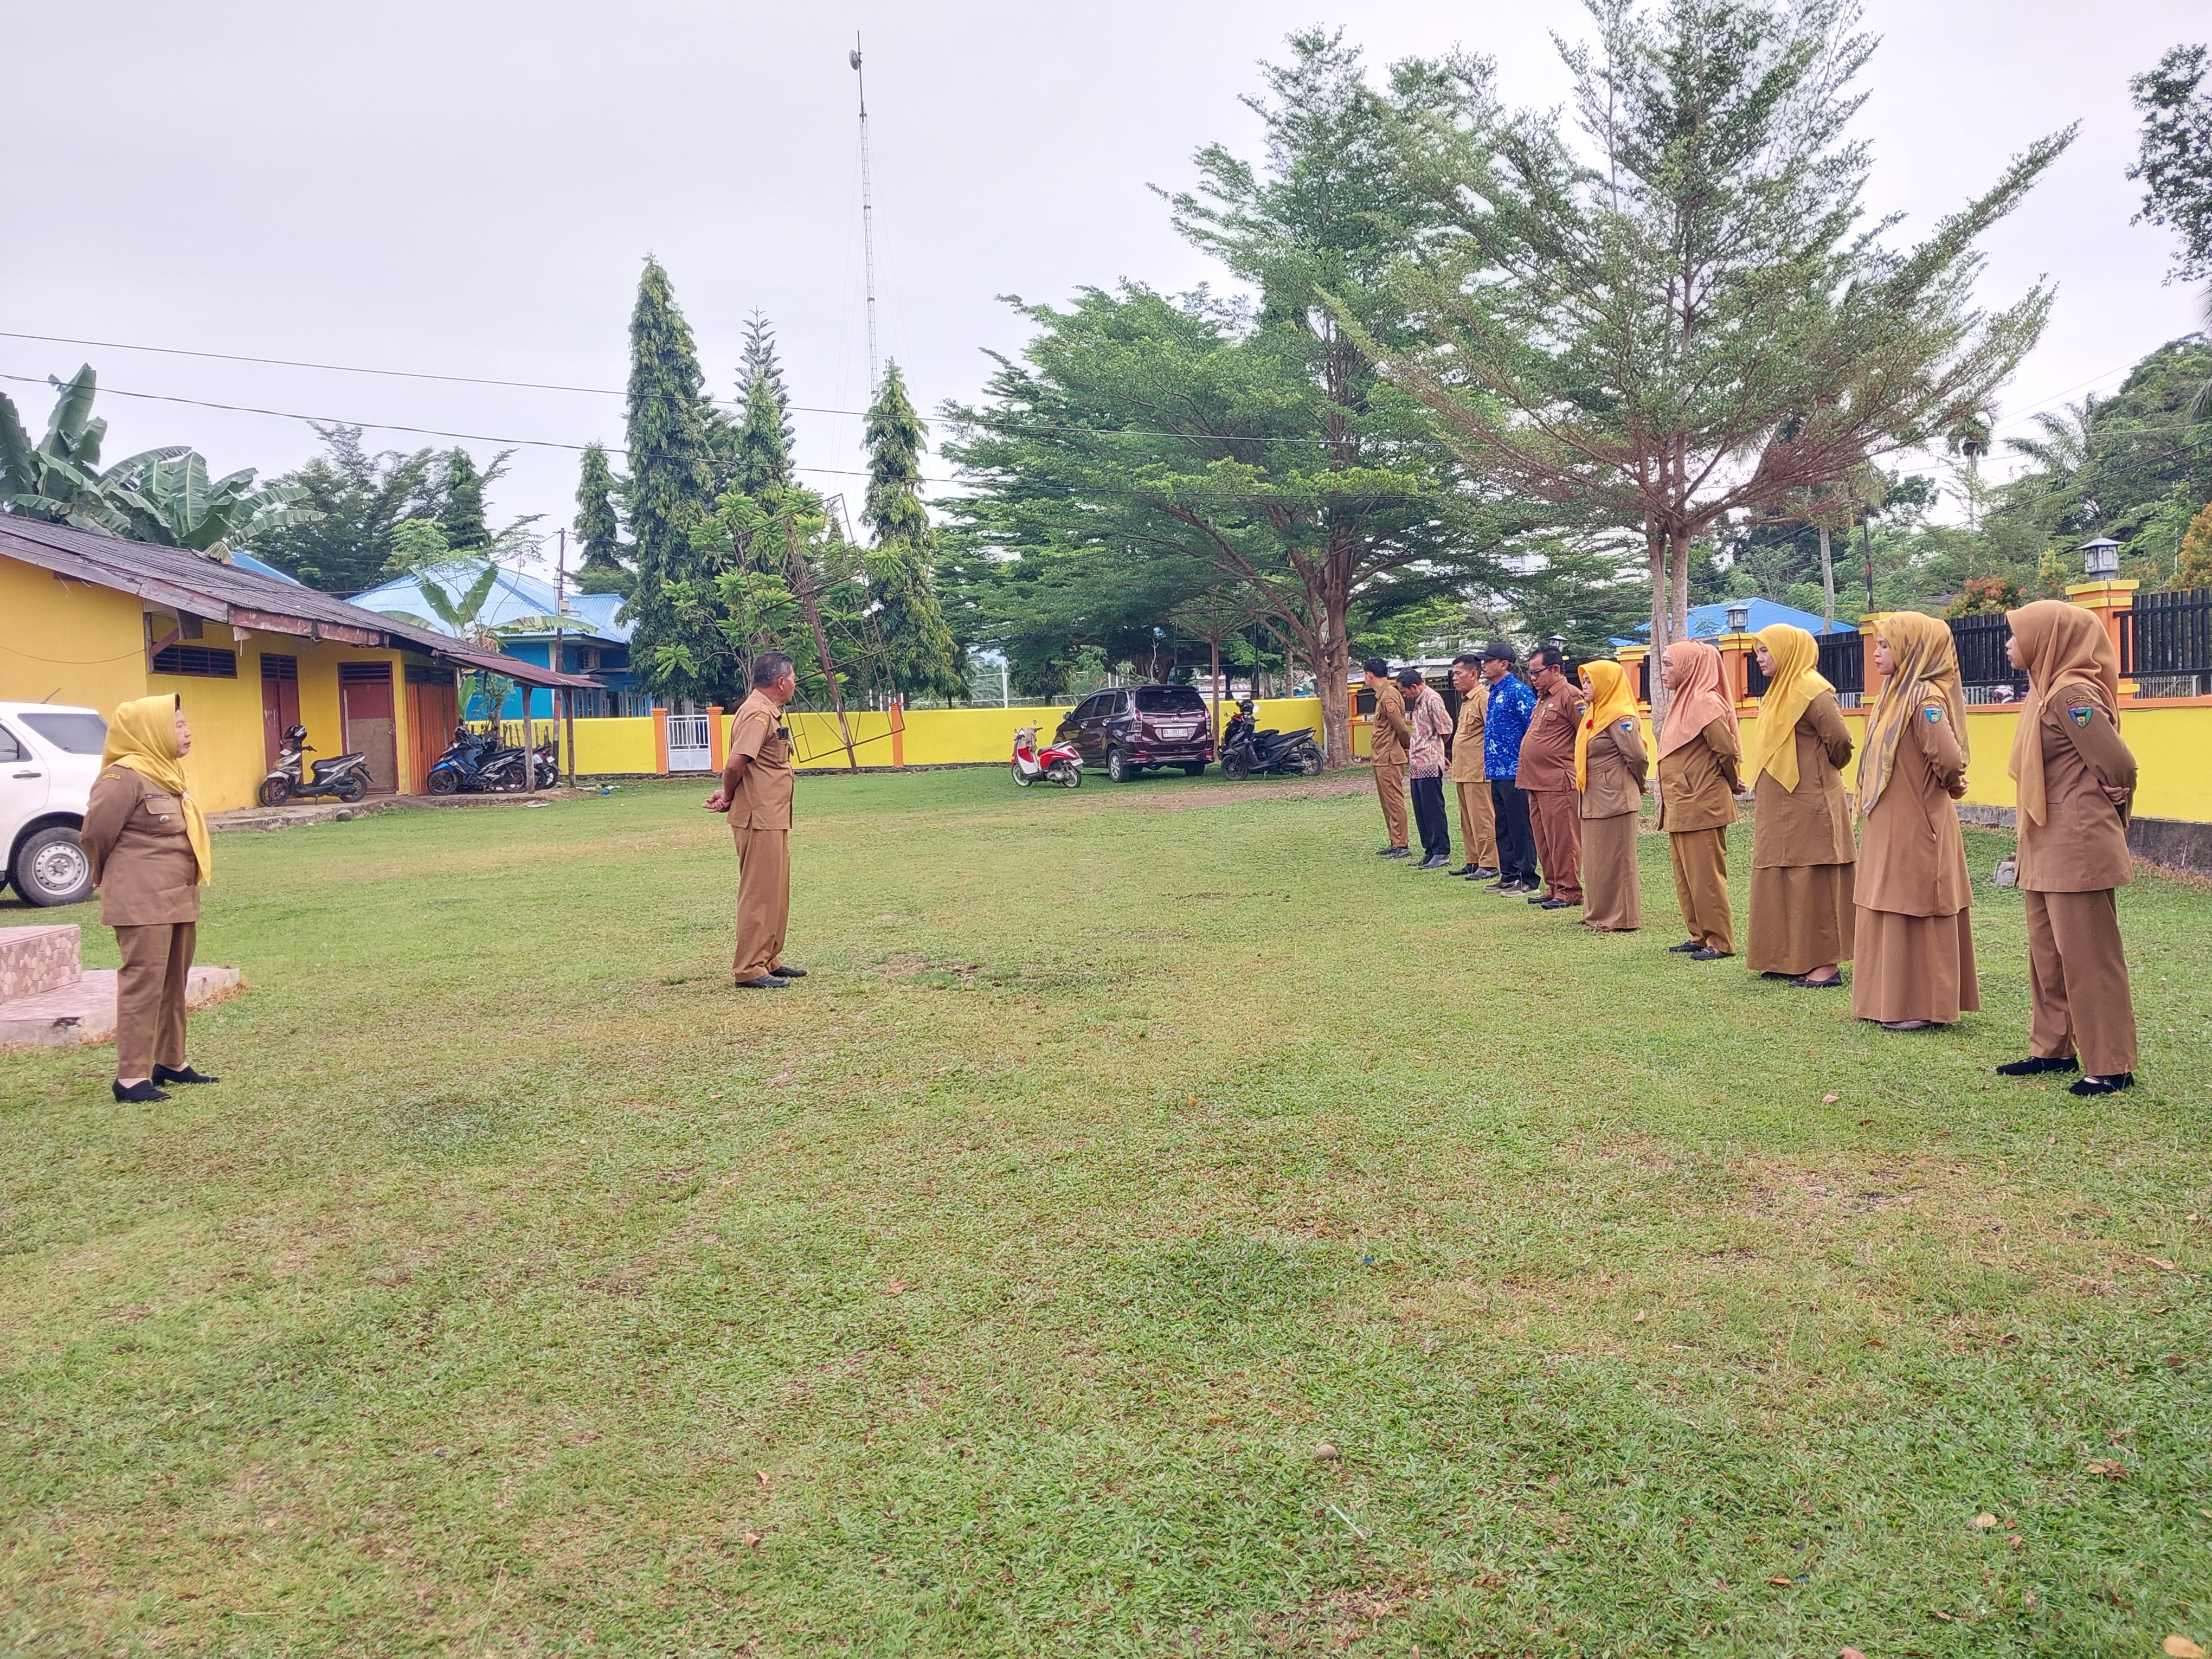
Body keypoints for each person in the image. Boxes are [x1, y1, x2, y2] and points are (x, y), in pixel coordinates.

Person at [1998, 599, 2139, 1094]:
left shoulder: (2071, 693)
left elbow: (2118, 764)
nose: (2009, 643)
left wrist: (2119, 798)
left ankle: (2111, 1063)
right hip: (2045, 838)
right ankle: (2053, 1048)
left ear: (2048, 639)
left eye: (2017, 634)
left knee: (2088, 955)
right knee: (2048, 954)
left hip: (2076, 842)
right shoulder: (2043, 691)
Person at [78, 695, 217, 1103]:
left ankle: (170, 1061)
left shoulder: (167, 772)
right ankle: (131, 1077)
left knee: (174, 982)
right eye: (177, 725)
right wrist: (103, 876)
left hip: (178, 896)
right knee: (143, 984)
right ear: (150, 731)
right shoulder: (123, 779)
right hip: (142, 901)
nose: (187, 732)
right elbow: (95, 836)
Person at [1851, 612, 1976, 1032]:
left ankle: (1922, 1003)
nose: (1876, 652)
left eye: (1885, 644)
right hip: (1891, 818)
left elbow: (1949, 757)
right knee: (1889, 899)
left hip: (1917, 819)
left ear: (1912, 648)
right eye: (1878, 643)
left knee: (1917, 901)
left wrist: (1955, 779)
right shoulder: (1895, 693)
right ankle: (1891, 999)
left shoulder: (1924, 698)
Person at [1744, 623, 1856, 988]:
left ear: (1789, 650)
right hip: (1779, 804)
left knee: (1813, 878)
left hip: (1810, 802)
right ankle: (1785, 956)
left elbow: (1840, 741)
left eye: (1766, 651)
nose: (1760, 658)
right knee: (1779, 875)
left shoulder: (1813, 691)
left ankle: (1825, 965)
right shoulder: (1778, 693)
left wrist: (1819, 772)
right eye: (1758, 651)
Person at [705, 652, 807, 989]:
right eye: (793, 677)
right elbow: (735, 765)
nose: (794, 682)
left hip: (772, 815)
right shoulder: (758, 715)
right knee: (759, 893)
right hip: (758, 817)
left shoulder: (767, 713)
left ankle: (768, 958)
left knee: (776, 890)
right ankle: (749, 968)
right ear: (781, 682)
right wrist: (729, 795)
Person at [1655, 639, 1741, 960]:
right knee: (1686, 876)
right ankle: (1699, 935)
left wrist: (1732, 782)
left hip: (1701, 801)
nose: (1664, 671)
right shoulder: (1684, 701)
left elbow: (1727, 750)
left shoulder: (1705, 703)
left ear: (1690, 667)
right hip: (1682, 802)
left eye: (1669, 664)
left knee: (1705, 876)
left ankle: (1719, 940)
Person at [1574, 658, 1647, 932]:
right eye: (1584, 680)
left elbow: (1637, 756)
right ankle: (1598, 911)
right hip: (1593, 796)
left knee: (1617, 859)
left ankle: (1622, 917)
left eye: (1591, 680)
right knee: (1596, 859)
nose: (1585, 686)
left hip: (1614, 796)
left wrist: (1635, 782)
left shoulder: (1619, 716)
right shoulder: (1594, 714)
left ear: (1607, 683)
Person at [1517, 644, 1584, 911]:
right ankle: (1554, 886)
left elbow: (1586, 736)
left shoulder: (1571, 696)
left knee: (1563, 838)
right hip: (1536, 781)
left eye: (1537, 672)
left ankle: (1570, 890)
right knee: (1544, 839)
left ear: (1555, 670)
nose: (1533, 678)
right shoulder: (1543, 697)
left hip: (1559, 781)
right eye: (1531, 673)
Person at [1480, 642, 1540, 893]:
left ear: (1503, 664)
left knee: (1520, 825)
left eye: (1488, 660)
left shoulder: (1518, 691)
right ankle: (1509, 874)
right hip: (1497, 770)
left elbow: (1533, 726)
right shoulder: (1495, 691)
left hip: (1515, 770)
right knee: (1502, 824)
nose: (1483, 664)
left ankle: (1528, 878)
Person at [1446, 653, 1499, 878]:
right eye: (1453, 674)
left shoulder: (1484, 699)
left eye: (1459, 674)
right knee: (1467, 819)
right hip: (1464, 771)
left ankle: (1489, 863)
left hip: (1478, 771)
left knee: (1482, 819)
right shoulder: (1467, 700)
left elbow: (1492, 734)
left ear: (1474, 674)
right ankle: (1473, 859)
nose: (1454, 679)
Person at [1398, 667, 1454, 870]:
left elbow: (1446, 728)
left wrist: (1437, 750)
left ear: (1414, 686)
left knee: (1433, 810)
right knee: (1421, 811)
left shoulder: (1432, 699)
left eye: (1405, 692)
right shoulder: (1420, 701)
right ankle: (1429, 850)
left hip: (1430, 763)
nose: (1404, 696)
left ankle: (1441, 851)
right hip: (1417, 764)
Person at [1362, 658, 1410, 859]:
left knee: (1394, 800)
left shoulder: (1389, 696)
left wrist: (1406, 747)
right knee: (1386, 801)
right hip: (1382, 756)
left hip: (1390, 757)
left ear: (1369, 675)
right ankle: (1395, 841)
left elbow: (1401, 727)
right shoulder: (1383, 695)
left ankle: (1402, 845)